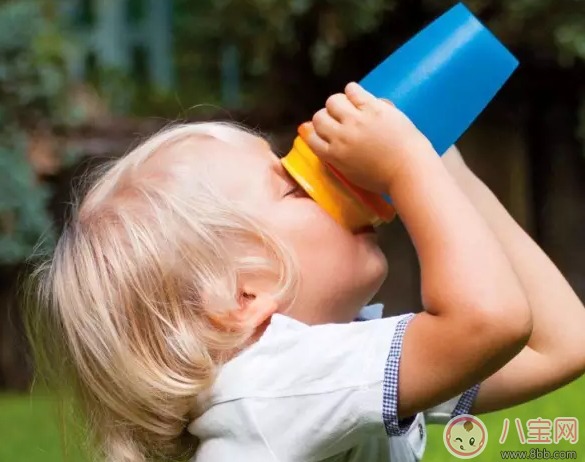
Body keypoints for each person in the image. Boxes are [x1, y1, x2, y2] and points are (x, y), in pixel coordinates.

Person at [26, 83, 585, 462]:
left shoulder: (328, 367)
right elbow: (490, 322)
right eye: (292, 186)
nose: (325, 181)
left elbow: (561, 345)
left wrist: (441, 164)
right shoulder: (267, 393)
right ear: (243, 296)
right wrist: (407, 164)